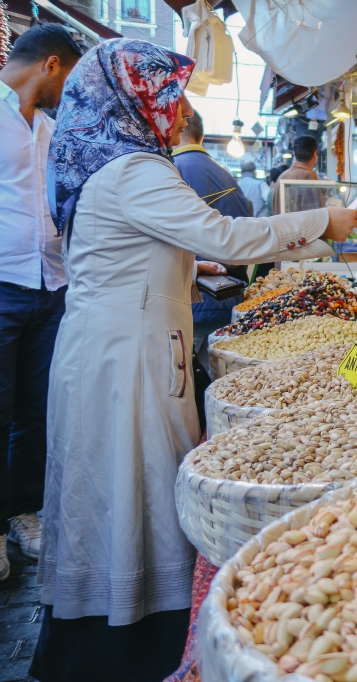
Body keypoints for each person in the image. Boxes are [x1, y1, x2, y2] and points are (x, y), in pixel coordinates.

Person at [33, 39, 357, 681]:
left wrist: (189, 264)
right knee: (133, 489)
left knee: (110, 489)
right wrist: (326, 221)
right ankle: (130, 647)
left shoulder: (106, 161)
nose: (177, 104)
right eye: (167, 90)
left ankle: (104, 640)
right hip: (126, 359)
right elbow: (228, 235)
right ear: (133, 94)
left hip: (105, 347)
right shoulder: (135, 170)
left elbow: (143, 249)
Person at [0, 23, 84, 580]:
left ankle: (21, 513)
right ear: (50, 65)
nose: (72, 93)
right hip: (2, 286)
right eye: (70, 79)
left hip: (50, 287)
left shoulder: (53, 131)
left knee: (36, 411)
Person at [171, 109, 251, 372]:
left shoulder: (173, 172)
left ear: (180, 129)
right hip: (229, 296)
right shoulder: (227, 175)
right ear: (201, 135)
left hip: (193, 300)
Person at [272, 135, 325, 214]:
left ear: (294, 154)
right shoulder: (308, 175)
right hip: (300, 226)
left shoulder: (282, 176)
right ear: (315, 154)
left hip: (282, 226)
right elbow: (314, 214)